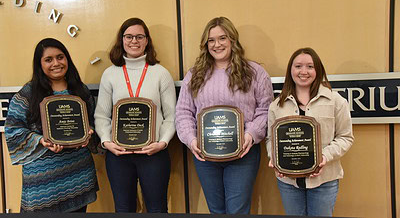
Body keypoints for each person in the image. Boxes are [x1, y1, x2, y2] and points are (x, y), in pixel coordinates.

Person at [175, 17, 273, 214]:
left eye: (222, 38)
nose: (217, 44)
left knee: (238, 211)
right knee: (216, 210)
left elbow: (266, 109)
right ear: (205, 44)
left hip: (243, 153)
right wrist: (191, 140)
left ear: (232, 40)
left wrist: (251, 134)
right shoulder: (195, 75)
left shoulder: (254, 72)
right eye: (211, 40)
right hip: (205, 155)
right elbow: (183, 112)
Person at [5, 38, 99, 212]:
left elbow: (93, 120)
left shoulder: (80, 90)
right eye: (48, 59)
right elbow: (13, 130)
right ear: (39, 64)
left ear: (67, 59)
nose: (56, 63)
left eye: (60, 57)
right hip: (43, 181)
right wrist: (41, 140)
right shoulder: (28, 93)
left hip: (78, 173)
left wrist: (89, 132)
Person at [94, 17, 176, 213]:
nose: (134, 41)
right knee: (123, 209)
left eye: (140, 36)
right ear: (121, 40)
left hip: (153, 154)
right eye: (129, 36)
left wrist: (162, 142)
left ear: (147, 40)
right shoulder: (110, 74)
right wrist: (106, 142)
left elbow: (172, 116)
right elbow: (102, 115)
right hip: (119, 154)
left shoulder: (160, 73)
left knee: (157, 208)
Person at [266, 47, 354, 216]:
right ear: (290, 70)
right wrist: (274, 157)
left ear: (318, 70)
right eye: (298, 66)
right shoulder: (276, 105)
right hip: (288, 181)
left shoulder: (335, 101)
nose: (303, 71)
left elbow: (345, 137)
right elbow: (271, 139)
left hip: (324, 181)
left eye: (310, 66)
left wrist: (324, 157)